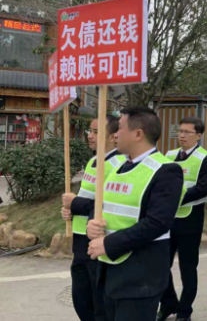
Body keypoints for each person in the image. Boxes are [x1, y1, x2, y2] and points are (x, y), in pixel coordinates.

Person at [86, 107, 183, 321]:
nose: (114, 135)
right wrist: (91, 223)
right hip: (108, 270)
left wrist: (109, 243)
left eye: (120, 128)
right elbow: (100, 204)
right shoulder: (117, 167)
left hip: (139, 277)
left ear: (138, 134)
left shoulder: (166, 170)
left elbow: (158, 222)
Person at [61, 115, 125, 321]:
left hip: (98, 238)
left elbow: (106, 203)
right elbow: (87, 198)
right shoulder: (93, 161)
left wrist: (75, 203)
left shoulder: (118, 165)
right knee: (81, 298)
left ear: (113, 136)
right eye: (90, 130)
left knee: (100, 302)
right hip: (80, 238)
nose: (90, 135)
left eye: (97, 132)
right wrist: (70, 211)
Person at [158, 117, 207, 321]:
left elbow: (202, 188)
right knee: (160, 264)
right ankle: (168, 303)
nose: (181, 135)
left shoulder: (205, 158)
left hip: (191, 219)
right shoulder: (169, 155)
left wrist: (174, 197)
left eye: (187, 132)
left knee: (188, 268)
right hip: (167, 218)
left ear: (198, 135)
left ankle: (185, 311)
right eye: (180, 131)